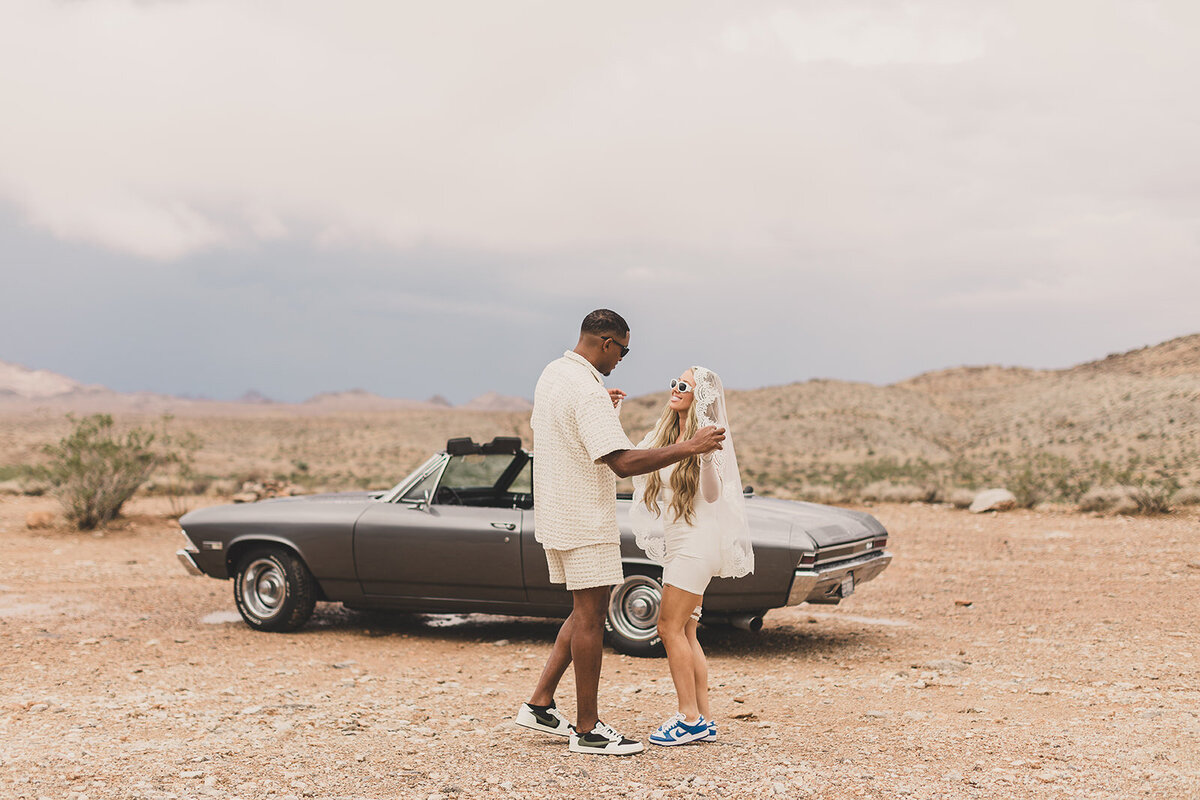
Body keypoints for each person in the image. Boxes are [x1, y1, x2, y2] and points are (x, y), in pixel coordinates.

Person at [514, 310, 726, 756]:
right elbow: (625, 463)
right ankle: (588, 729)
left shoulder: (554, 374)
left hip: (556, 512)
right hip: (585, 518)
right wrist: (691, 446)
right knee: (592, 618)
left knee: (581, 610)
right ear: (608, 343)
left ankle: (539, 704)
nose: (622, 360)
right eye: (623, 351)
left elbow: (565, 431)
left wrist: (603, 410)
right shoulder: (586, 390)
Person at [630, 366, 754, 746]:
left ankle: (688, 718)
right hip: (679, 544)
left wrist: (702, 455)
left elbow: (714, 495)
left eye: (683, 385)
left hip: (696, 546)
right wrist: (612, 413)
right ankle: (704, 718)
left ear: (699, 396)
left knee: (666, 627)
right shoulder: (668, 431)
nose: (675, 388)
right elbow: (631, 459)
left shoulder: (707, 437)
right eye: (673, 382)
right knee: (686, 630)